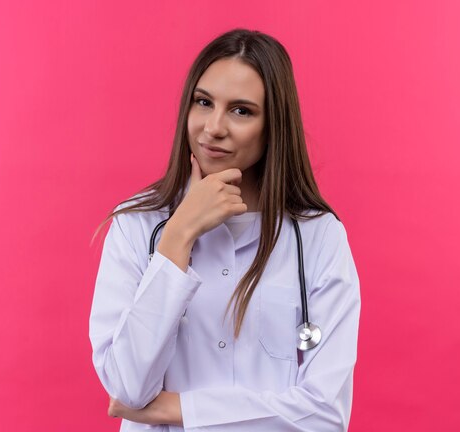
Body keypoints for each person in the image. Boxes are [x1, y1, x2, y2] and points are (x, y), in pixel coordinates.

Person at [89, 28, 361, 431]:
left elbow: (325, 415)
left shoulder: (318, 237)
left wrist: (179, 410)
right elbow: (127, 389)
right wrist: (179, 235)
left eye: (241, 111)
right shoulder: (136, 225)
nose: (213, 127)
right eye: (203, 102)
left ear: (274, 127)